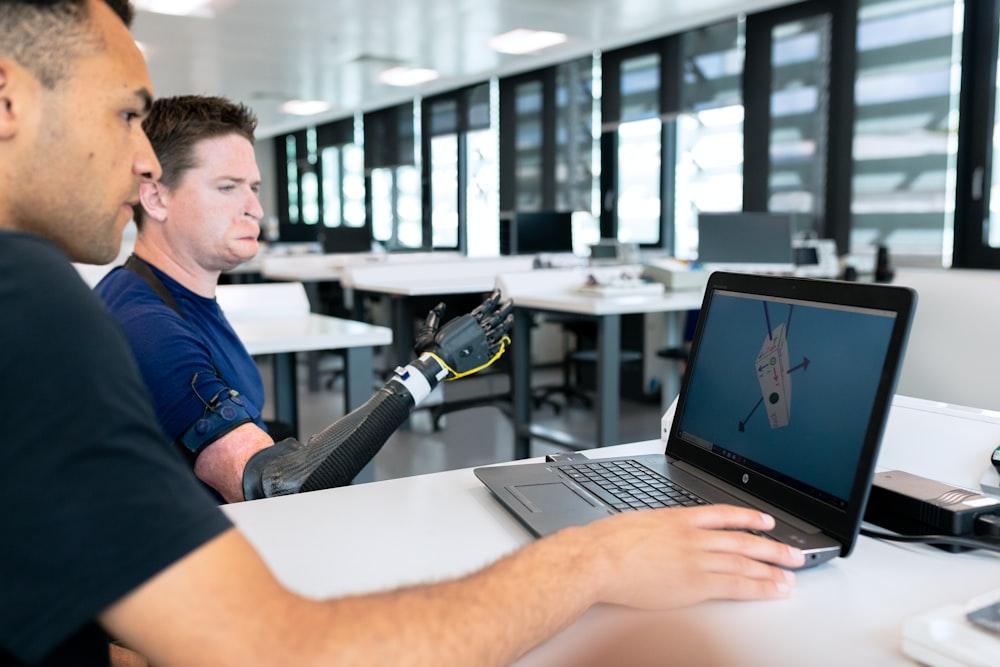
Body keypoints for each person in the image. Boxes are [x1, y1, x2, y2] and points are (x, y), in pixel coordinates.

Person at [0, 2, 805, 665]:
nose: (142, 159)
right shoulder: (43, 304)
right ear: (6, 102)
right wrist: (595, 554)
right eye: (126, 113)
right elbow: (276, 590)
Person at [94, 93, 513, 504]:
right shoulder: (147, 327)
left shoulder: (175, 295)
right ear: (156, 197)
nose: (255, 208)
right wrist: (428, 370)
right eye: (227, 187)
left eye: (254, 188)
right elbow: (276, 484)